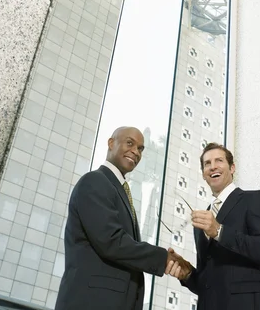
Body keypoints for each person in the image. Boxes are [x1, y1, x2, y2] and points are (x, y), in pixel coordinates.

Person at [55, 126, 190, 310]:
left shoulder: (120, 191)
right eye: (130, 143)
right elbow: (111, 241)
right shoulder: (94, 181)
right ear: (111, 143)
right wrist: (163, 258)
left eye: (141, 149)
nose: (135, 151)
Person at [167, 142, 260, 310]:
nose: (213, 167)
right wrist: (188, 274)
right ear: (204, 174)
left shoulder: (254, 199)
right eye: (207, 164)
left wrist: (219, 231)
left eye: (219, 161)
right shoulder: (201, 223)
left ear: (232, 168)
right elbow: (208, 284)